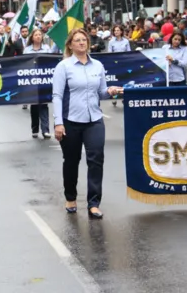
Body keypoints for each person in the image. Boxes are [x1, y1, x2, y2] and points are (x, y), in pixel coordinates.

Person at [52, 28, 123, 219]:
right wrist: (58, 123)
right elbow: (57, 96)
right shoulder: (64, 67)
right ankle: (71, 197)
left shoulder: (98, 66)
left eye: (84, 40)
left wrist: (110, 91)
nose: (82, 43)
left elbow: (100, 92)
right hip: (71, 121)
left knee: (96, 160)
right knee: (72, 161)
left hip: (94, 120)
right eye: (77, 40)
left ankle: (93, 203)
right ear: (70, 45)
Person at [24, 29, 51, 138]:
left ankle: (45, 130)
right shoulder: (27, 50)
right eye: (36, 35)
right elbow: (24, 64)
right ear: (32, 37)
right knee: (34, 105)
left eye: (40, 34)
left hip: (43, 80)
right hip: (32, 80)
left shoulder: (47, 48)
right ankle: (35, 128)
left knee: (44, 104)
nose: (38, 36)